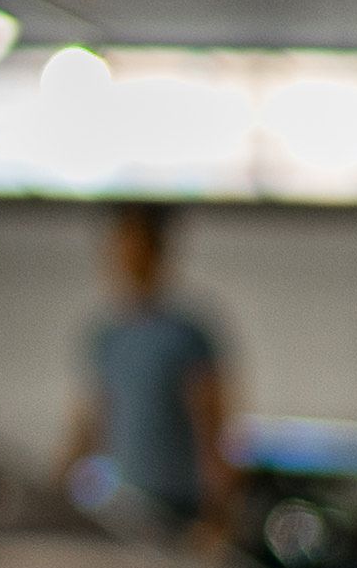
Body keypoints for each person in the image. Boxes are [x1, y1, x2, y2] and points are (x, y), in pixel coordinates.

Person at [60, 202, 237, 545]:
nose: (127, 258)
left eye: (137, 247)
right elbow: (91, 423)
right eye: (121, 247)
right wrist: (54, 492)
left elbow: (213, 426)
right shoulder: (107, 336)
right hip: (125, 508)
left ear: (158, 253)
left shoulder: (188, 334)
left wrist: (219, 515)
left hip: (179, 508)